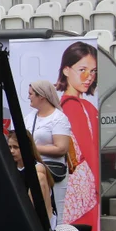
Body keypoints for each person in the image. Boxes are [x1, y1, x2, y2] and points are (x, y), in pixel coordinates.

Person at [56, 42, 100, 230]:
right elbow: (88, 150)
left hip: (79, 184)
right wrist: (98, 184)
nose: (88, 77)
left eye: (92, 71)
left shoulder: (80, 105)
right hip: (85, 187)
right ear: (66, 70)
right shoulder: (73, 106)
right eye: (82, 69)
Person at [26, 80, 72, 223]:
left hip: (52, 170)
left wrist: (33, 148)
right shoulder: (30, 117)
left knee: (56, 210)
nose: (29, 97)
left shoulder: (59, 118)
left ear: (42, 96)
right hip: (31, 168)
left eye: (31, 94)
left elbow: (61, 148)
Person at [8, 131, 55, 229]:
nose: (12, 151)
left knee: (39, 178)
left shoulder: (38, 168)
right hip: (17, 216)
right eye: (9, 147)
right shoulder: (9, 167)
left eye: (16, 147)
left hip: (40, 219)